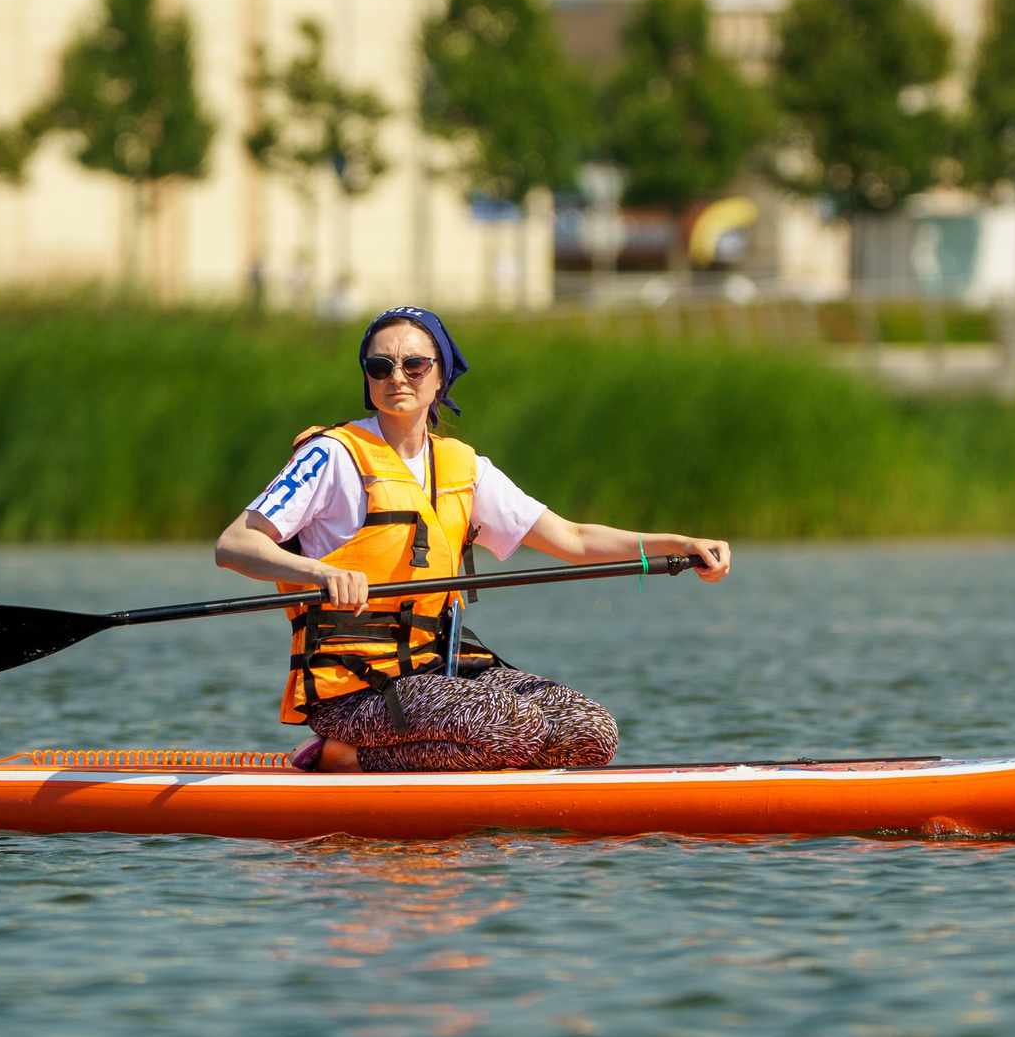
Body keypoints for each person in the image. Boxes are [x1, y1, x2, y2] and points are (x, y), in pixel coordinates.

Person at [214, 306, 732, 773]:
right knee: (511, 725)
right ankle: (343, 757)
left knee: (590, 732)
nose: (397, 376)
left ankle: (471, 771)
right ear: (368, 378)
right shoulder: (329, 456)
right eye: (380, 366)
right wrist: (320, 573)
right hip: (354, 691)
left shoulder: (463, 467)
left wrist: (678, 543)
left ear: (440, 377)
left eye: (414, 365)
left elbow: (572, 539)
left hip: (444, 668)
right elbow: (235, 544)